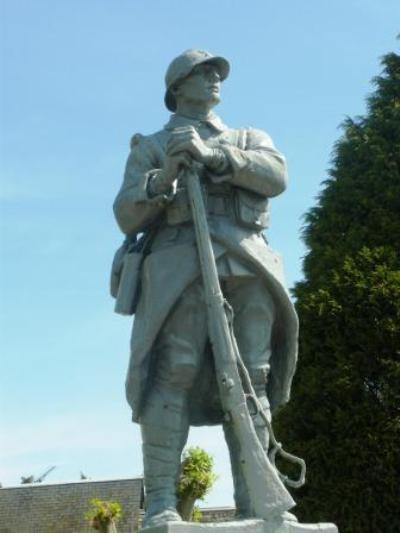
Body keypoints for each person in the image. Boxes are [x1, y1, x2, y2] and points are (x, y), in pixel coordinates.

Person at [113, 49, 298, 529]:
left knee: (252, 380)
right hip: (179, 264)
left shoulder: (247, 137)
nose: (215, 77)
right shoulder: (151, 146)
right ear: (177, 87)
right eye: (203, 72)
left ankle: (258, 505)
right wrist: (165, 177)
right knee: (174, 371)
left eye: (217, 72)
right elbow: (125, 216)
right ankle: (160, 505)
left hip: (246, 262)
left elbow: (276, 175)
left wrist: (214, 154)